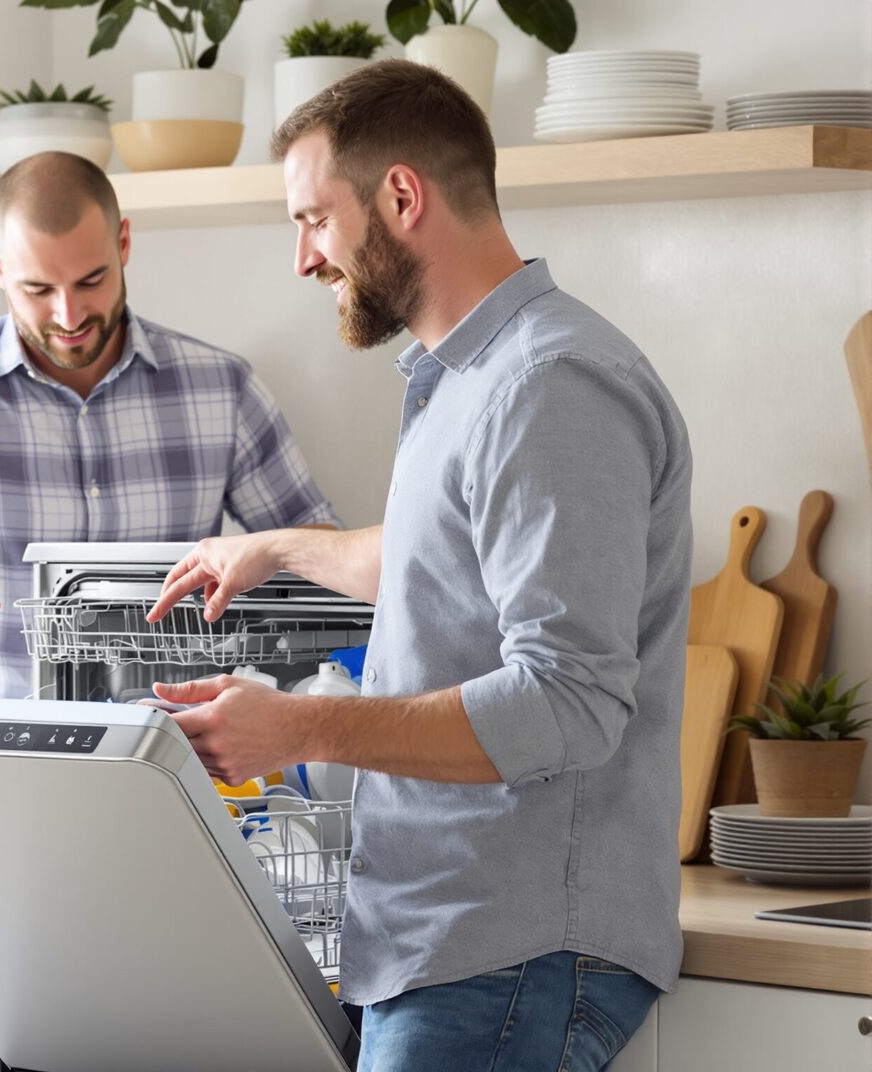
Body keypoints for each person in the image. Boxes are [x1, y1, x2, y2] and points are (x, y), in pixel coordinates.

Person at [146, 61, 691, 1071]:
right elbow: (446, 561)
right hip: (454, 950)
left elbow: (569, 699)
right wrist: (274, 550)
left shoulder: (550, 385)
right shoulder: (475, 379)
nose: (304, 257)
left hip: (510, 952)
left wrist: (297, 725)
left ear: (401, 196)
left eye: (314, 218)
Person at [0, 150, 338, 699]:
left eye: (91, 281)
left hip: (179, 750)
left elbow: (320, 557)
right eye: (37, 290)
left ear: (124, 243)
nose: (69, 316)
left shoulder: (222, 389)